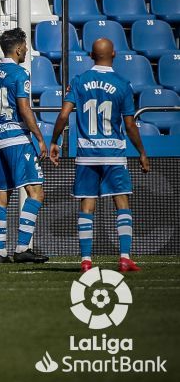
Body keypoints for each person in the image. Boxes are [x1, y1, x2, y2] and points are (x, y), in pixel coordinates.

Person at [49, 38, 149, 273]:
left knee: (87, 206)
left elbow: (64, 115)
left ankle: (86, 261)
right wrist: (142, 152)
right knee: (122, 203)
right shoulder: (123, 84)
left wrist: (55, 140)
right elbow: (130, 124)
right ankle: (124, 258)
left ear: (91, 56)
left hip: (87, 154)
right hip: (114, 153)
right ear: (113, 54)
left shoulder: (79, 81)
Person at [0, 28, 50, 264]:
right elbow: (24, 108)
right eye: (25, 46)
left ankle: (1, 253)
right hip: (17, 139)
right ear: (19, 48)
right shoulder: (21, 73)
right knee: (36, 192)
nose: (27, 49)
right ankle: (22, 249)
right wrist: (40, 138)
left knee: (2, 194)